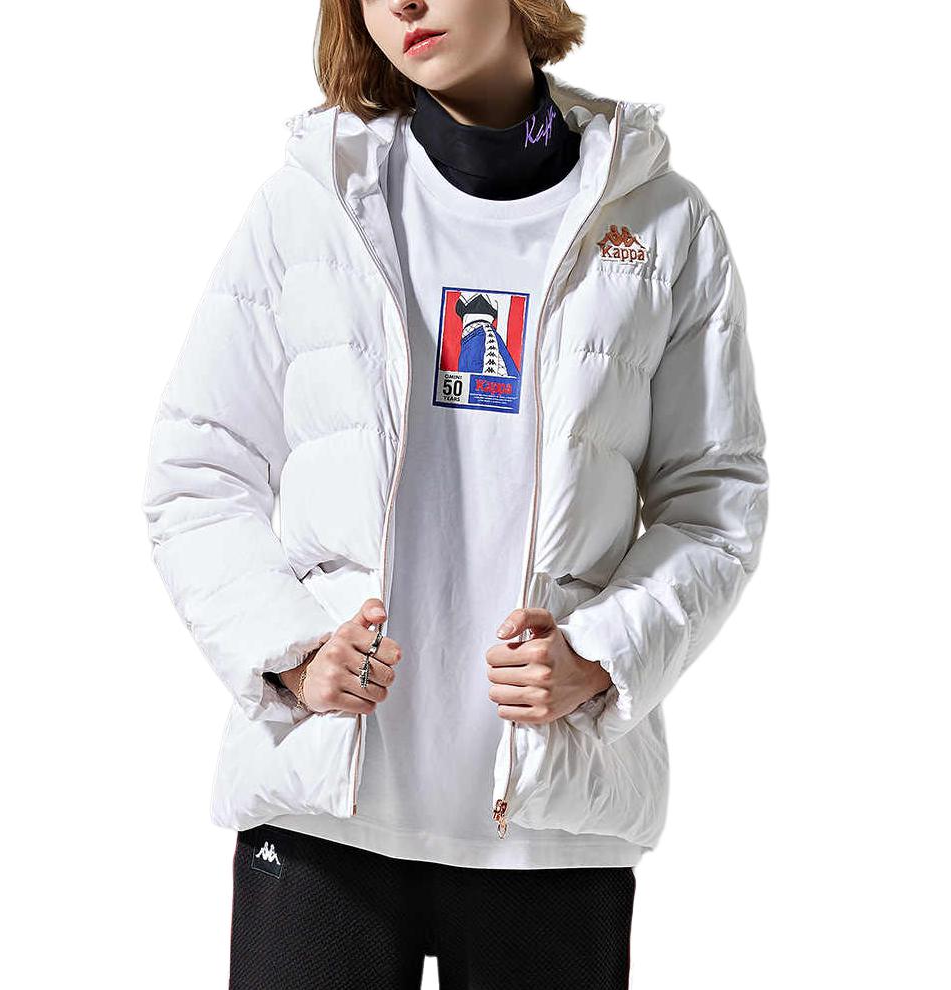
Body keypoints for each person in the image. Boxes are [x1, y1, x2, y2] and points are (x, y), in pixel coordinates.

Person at [141, 1, 769, 987]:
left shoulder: (660, 222)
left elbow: (715, 504)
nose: (403, 4)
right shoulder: (314, 203)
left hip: (552, 835)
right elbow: (198, 471)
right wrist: (292, 653)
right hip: (325, 823)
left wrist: (600, 657)